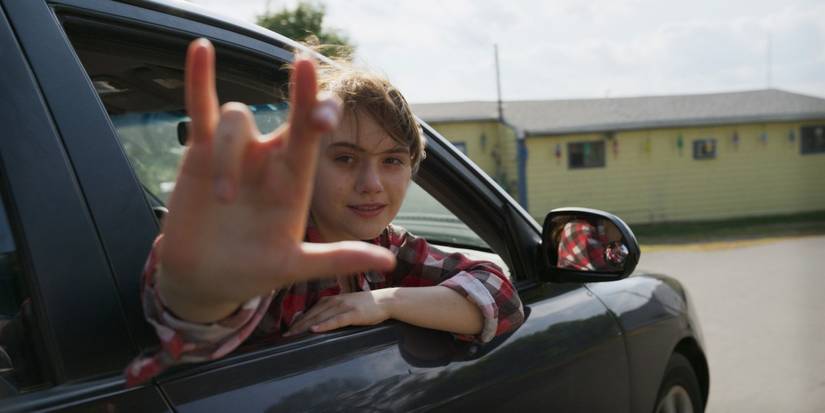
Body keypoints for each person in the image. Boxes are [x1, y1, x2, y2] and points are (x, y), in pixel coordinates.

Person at [124, 39, 524, 385]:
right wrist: (197, 294)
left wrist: (385, 302)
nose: (372, 183)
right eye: (346, 158)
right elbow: (195, 326)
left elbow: (502, 297)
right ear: (304, 169)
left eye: (392, 161)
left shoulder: (386, 246)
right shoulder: (271, 251)